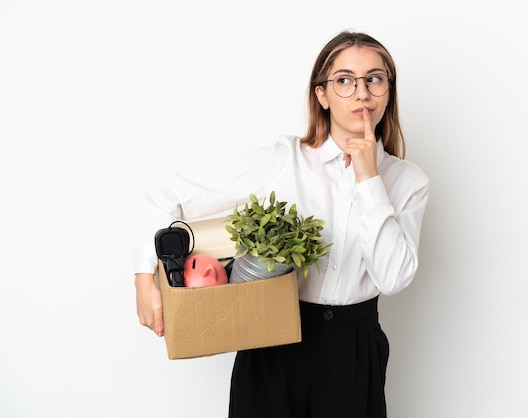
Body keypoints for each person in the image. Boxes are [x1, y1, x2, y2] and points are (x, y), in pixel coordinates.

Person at [134, 31, 429, 418]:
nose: (361, 93)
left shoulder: (409, 182)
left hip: (355, 349)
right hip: (272, 338)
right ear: (321, 94)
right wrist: (143, 278)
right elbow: (166, 192)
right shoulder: (282, 161)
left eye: (374, 79)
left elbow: (392, 279)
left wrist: (369, 179)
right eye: (344, 80)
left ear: (388, 91)